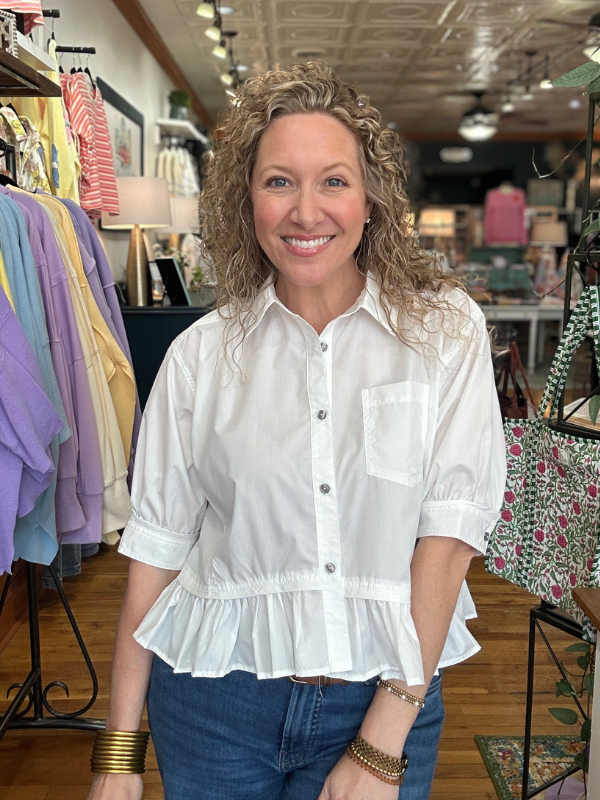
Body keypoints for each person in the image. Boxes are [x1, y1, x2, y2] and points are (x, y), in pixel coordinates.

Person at [87, 61, 506, 800]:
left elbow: (447, 541)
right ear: (246, 200)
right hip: (214, 704)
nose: (306, 212)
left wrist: (380, 745)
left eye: (334, 181)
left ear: (371, 197)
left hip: (383, 697)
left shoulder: (444, 333)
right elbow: (153, 559)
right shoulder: (200, 358)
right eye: (279, 181)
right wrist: (118, 758)